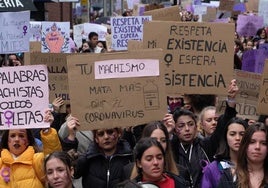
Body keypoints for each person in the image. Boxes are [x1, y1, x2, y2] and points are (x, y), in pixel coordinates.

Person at [171, 79, 239, 187]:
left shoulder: (206, 145)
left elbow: (223, 125)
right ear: (174, 129)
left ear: (197, 125)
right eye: (181, 126)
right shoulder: (171, 148)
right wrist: (167, 131)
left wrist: (230, 101)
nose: (187, 129)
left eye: (190, 124)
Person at [62, 116, 133, 188]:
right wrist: (71, 136)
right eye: (101, 134)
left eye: (110, 132)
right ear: (96, 139)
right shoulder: (87, 159)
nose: (106, 137)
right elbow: (72, 172)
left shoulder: (129, 158)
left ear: (118, 134)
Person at [0, 109, 62, 187]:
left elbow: (55, 158)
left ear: (28, 140)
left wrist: (46, 130)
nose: (16, 139)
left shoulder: (37, 161)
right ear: (6, 140)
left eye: (21, 136)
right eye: (12, 136)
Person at [201, 117, 248, 188]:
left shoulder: (255, 165)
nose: (238, 138)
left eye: (242, 134)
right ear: (225, 137)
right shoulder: (213, 168)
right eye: (232, 134)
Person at [217, 122, 268, 187]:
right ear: (244, 145)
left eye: (263, 143)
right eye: (252, 142)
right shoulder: (230, 176)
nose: (257, 147)